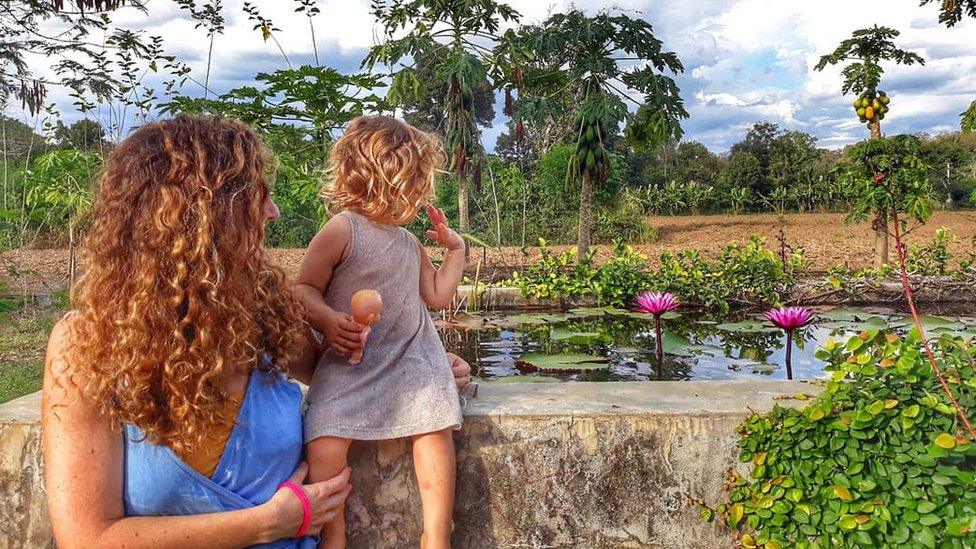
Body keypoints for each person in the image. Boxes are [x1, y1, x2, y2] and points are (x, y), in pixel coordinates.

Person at [41, 115, 474, 549]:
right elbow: (86, 539)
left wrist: (419, 364)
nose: (274, 211)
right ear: (202, 216)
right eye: (256, 197)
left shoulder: (267, 312)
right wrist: (268, 523)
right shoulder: (86, 345)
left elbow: (342, 367)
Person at [296, 116, 466, 549]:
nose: (419, 195)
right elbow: (303, 289)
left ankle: (436, 533)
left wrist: (456, 251)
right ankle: (332, 534)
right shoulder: (342, 230)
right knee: (325, 433)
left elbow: (437, 295)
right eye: (413, 186)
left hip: (410, 358)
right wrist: (329, 321)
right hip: (352, 361)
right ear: (378, 181)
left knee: (434, 427)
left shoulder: (409, 243)